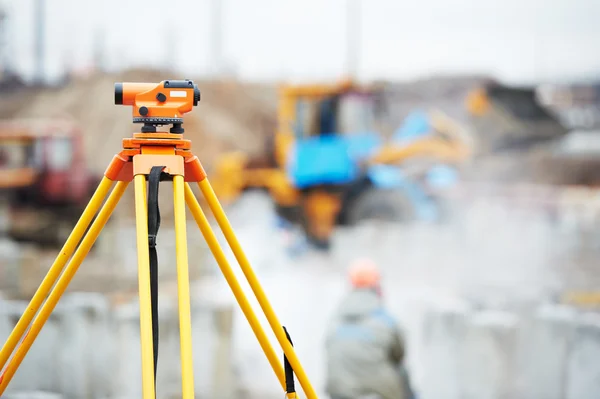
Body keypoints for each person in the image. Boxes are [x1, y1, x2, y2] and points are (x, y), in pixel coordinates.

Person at [324, 259, 414, 399]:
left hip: (340, 393)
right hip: (380, 394)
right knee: (402, 371)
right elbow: (399, 354)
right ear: (377, 287)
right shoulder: (386, 320)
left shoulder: (335, 319)